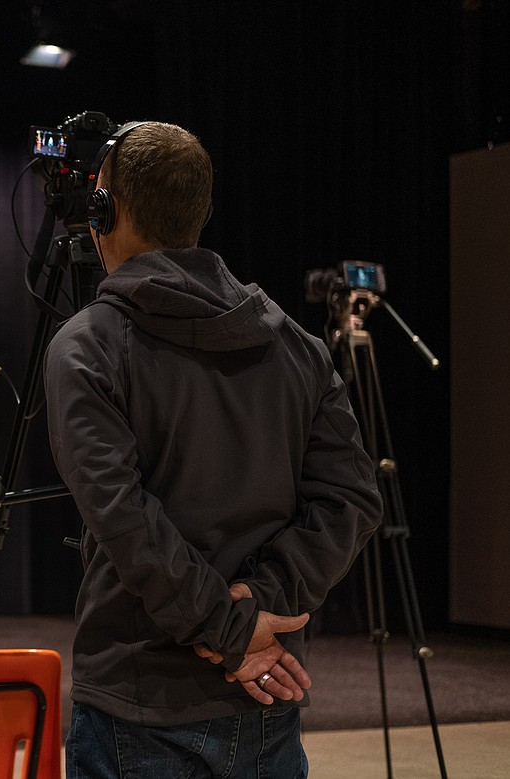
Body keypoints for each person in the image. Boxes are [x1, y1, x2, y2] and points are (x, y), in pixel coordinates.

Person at [43, 122, 382, 777]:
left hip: (140, 704)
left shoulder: (87, 347)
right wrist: (259, 602)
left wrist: (228, 628)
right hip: (263, 688)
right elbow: (352, 498)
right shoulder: (296, 346)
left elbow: (124, 517)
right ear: (200, 210)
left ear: (104, 212)